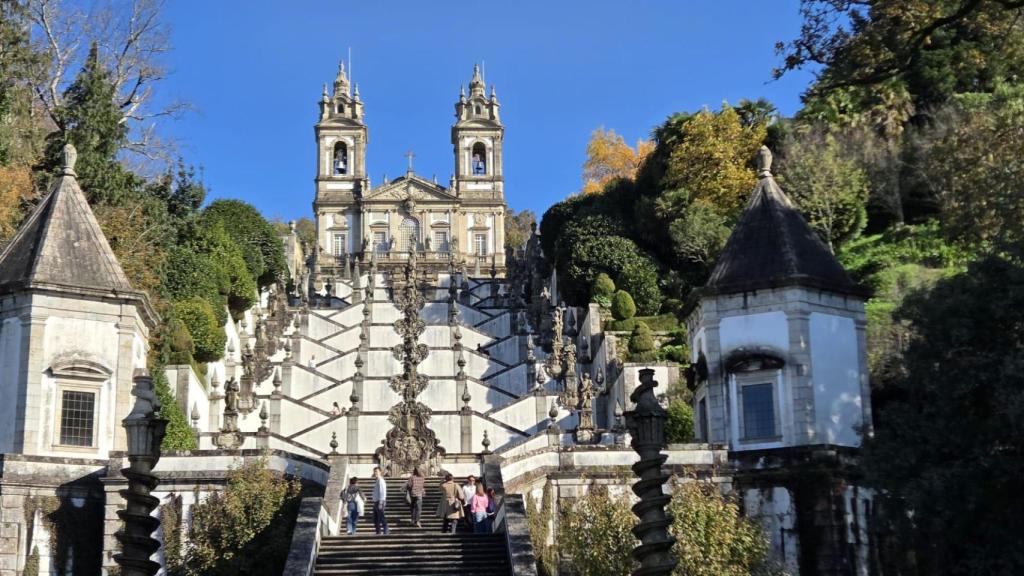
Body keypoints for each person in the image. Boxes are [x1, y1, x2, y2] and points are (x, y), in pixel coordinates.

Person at [372, 467, 389, 535]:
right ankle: (378, 531)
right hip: (376, 501)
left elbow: (383, 491)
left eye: (376, 471)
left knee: (381, 517)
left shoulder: (381, 480)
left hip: (380, 501)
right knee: (376, 518)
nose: (375, 473)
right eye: (374, 471)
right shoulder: (377, 480)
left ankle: (386, 530)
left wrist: (381, 502)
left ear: (380, 472)